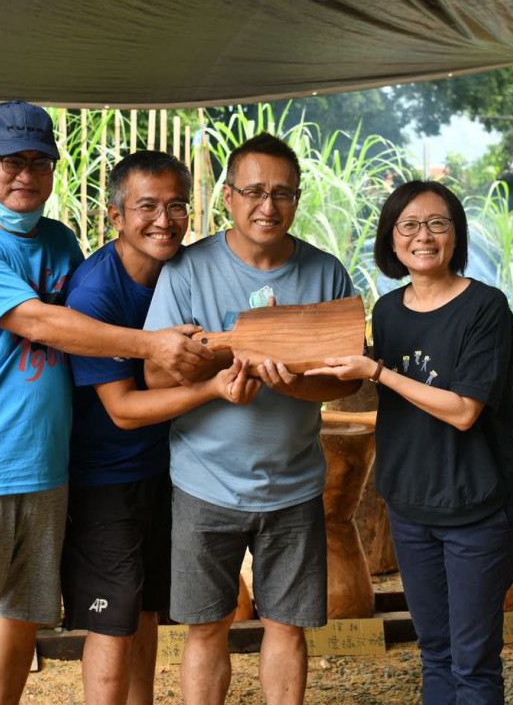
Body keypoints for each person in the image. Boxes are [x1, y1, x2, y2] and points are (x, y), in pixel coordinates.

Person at [0, 101, 212, 705]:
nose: (24, 174)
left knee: (23, 616)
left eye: (38, 162)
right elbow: (43, 324)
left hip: (49, 466)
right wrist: (150, 345)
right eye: (9, 161)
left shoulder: (59, 241)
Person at [143, 132, 360, 705]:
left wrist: (299, 383)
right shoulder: (188, 270)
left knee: (287, 626)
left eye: (283, 193)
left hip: (293, 484)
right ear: (229, 197)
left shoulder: (325, 274)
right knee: (206, 626)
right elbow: (157, 376)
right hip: (203, 481)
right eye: (256, 191)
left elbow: (349, 377)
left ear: (297, 199)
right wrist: (216, 377)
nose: (269, 206)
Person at [306, 179, 513, 705]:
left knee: (473, 663)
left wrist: (378, 372)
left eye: (437, 224)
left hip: (475, 507)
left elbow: (465, 411)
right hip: (409, 506)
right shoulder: (387, 310)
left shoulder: (485, 308)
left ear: (456, 235)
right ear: (391, 238)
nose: (422, 236)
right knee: (435, 653)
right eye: (408, 225)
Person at [61, 150, 260, 705]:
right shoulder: (95, 292)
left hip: (170, 469)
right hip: (107, 478)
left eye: (177, 206)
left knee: (146, 608)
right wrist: (211, 389)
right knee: (112, 621)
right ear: (114, 216)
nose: (164, 220)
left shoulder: (185, 271)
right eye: (147, 206)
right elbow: (122, 408)